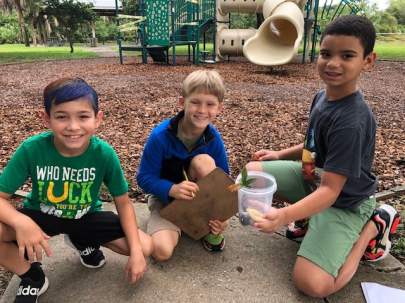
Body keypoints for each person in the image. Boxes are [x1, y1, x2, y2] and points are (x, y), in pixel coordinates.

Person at [245, 15, 400, 298]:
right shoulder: (322, 96)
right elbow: (313, 146)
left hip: (344, 202)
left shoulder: (352, 121)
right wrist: (280, 153)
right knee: (253, 171)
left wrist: (281, 216)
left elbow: (331, 191)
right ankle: (310, 220)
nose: (333, 63)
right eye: (326, 54)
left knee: (312, 284)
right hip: (316, 180)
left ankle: (372, 227)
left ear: (368, 60)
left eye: (347, 55)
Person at [0, 78, 153, 303]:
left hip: (86, 216)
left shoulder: (103, 154)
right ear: (46, 119)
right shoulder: (31, 150)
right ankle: (32, 277)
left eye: (83, 116)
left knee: (146, 246)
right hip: (42, 216)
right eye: (62, 116)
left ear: (97, 119)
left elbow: (123, 203)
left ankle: (82, 240)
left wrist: (138, 253)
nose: (73, 127)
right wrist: (20, 222)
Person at [137, 69, 230, 261]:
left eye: (210, 104)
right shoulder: (160, 136)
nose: (202, 110)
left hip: (198, 199)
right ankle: (166, 220)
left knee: (204, 162)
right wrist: (171, 189)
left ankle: (209, 226)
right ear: (182, 102)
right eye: (195, 102)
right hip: (166, 198)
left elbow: (223, 182)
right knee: (161, 252)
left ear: (219, 108)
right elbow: (144, 178)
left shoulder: (213, 139)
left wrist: (223, 217)